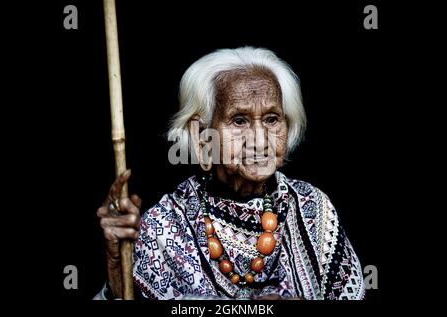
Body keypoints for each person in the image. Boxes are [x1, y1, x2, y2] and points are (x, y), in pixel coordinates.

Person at [95, 47, 365, 300]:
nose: (260, 141)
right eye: (239, 120)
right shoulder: (164, 226)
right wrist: (118, 274)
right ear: (202, 137)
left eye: (272, 119)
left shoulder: (312, 208)